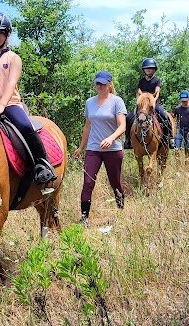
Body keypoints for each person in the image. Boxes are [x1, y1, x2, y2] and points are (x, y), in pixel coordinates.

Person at [0, 10, 56, 184]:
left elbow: (10, 84)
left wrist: (1, 106)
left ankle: (42, 163)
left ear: (7, 34)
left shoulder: (13, 58)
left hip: (9, 105)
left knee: (24, 125)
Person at [72, 71, 127, 227]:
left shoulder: (117, 101)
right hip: (93, 149)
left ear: (110, 84)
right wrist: (81, 147)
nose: (100, 86)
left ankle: (121, 208)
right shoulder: (90, 102)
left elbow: (122, 125)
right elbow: (88, 126)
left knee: (115, 182)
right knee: (88, 182)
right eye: (97, 83)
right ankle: (84, 218)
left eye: (103, 83)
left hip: (113, 149)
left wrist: (111, 138)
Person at [125, 58, 172, 149]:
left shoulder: (156, 80)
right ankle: (128, 140)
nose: (149, 70)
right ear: (144, 70)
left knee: (165, 116)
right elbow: (139, 91)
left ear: (154, 70)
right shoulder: (141, 81)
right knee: (128, 117)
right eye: (147, 68)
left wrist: (153, 99)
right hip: (142, 105)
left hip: (153, 104)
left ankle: (169, 138)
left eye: (151, 68)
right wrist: (141, 98)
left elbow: (157, 91)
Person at [172, 90, 189, 163]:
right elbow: (174, 119)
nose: (184, 102)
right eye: (182, 101)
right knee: (177, 149)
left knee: (187, 149)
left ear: (188, 99)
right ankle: (178, 166)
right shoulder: (177, 109)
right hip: (179, 130)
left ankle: (186, 165)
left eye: (185, 101)